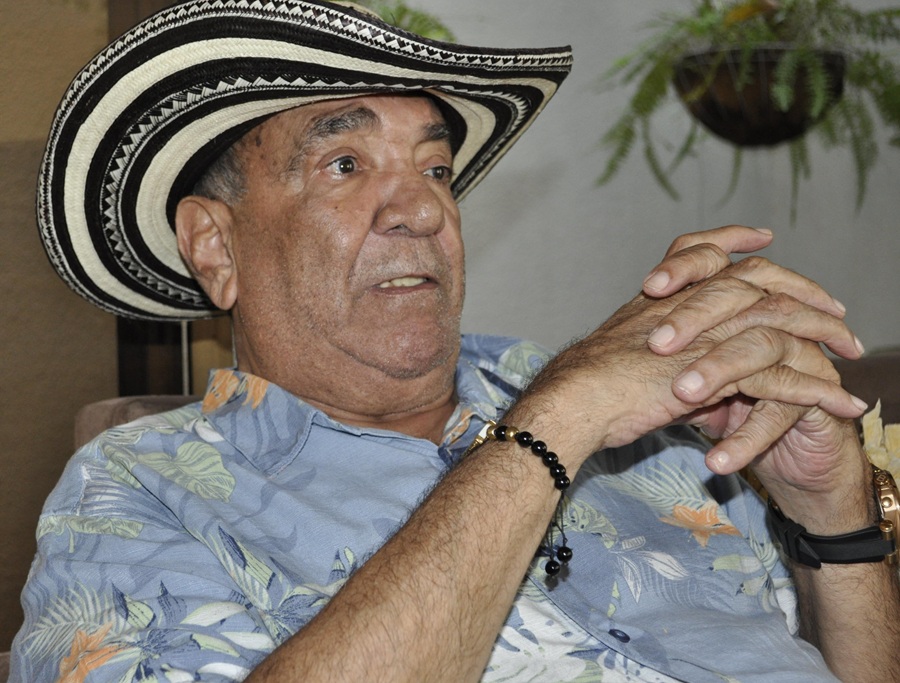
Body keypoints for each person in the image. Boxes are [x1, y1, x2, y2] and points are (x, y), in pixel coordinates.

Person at [11, 1, 900, 681]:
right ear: (215, 246)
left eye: (436, 168)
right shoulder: (137, 490)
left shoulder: (654, 418)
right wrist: (558, 421)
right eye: (345, 164)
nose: (424, 208)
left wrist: (836, 525)